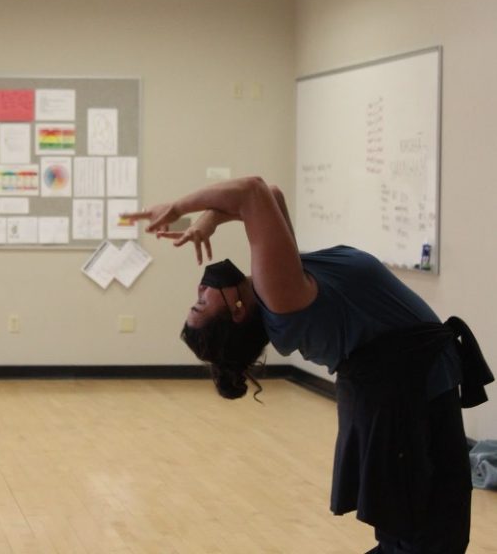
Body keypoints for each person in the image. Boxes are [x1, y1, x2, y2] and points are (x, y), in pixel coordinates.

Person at [124, 176, 492, 554]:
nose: (201, 288)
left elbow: (270, 195)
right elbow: (251, 192)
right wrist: (180, 208)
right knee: (424, 539)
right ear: (236, 312)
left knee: (435, 536)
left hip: (415, 382)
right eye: (201, 302)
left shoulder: (280, 278)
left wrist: (209, 219)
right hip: (399, 394)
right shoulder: (279, 294)